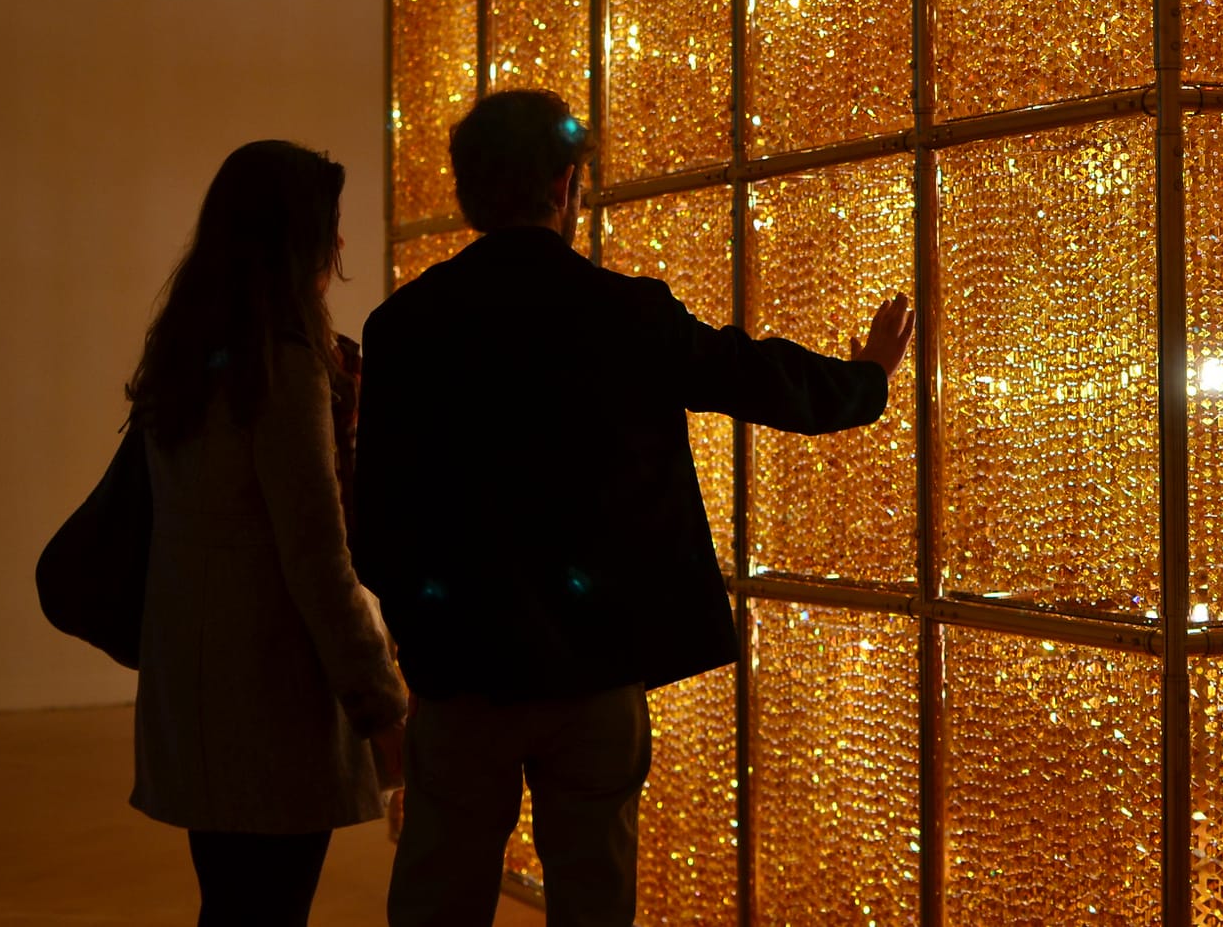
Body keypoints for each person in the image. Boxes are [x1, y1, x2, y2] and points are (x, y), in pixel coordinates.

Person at [356, 89, 913, 927]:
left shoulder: (404, 326)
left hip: (462, 673)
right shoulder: (625, 313)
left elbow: (378, 515)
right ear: (566, 186)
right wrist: (865, 378)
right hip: (595, 668)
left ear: (470, 193)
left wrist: (424, 627)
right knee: (595, 892)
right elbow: (751, 376)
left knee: (440, 891)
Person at [126, 141, 409, 926]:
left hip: (194, 680)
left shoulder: (184, 356)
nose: (342, 245)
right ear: (299, 239)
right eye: (331, 226)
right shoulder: (283, 367)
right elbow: (317, 553)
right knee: (268, 905)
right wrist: (379, 702)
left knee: (230, 901)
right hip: (269, 696)